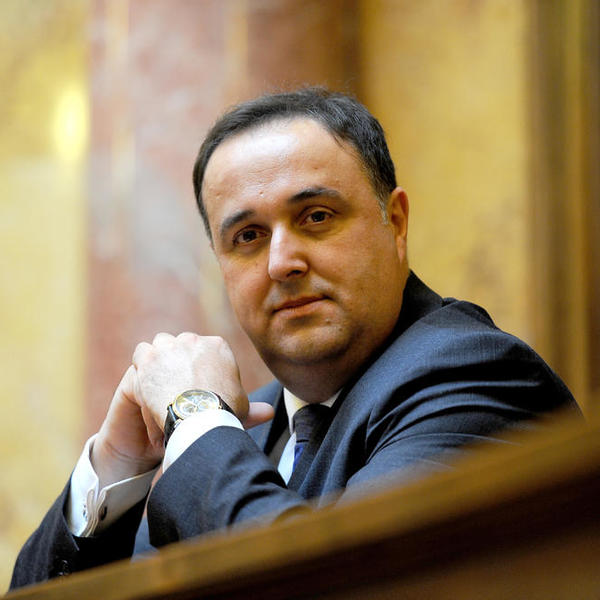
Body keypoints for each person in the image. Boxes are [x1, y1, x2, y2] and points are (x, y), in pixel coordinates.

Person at [10, 87, 578, 589]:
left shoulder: (477, 376)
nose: (281, 262)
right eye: (248, 236)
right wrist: (117, 464)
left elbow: (344, 583)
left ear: (396, 223)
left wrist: (194, 412)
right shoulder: (241, 430)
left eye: (316, 216)